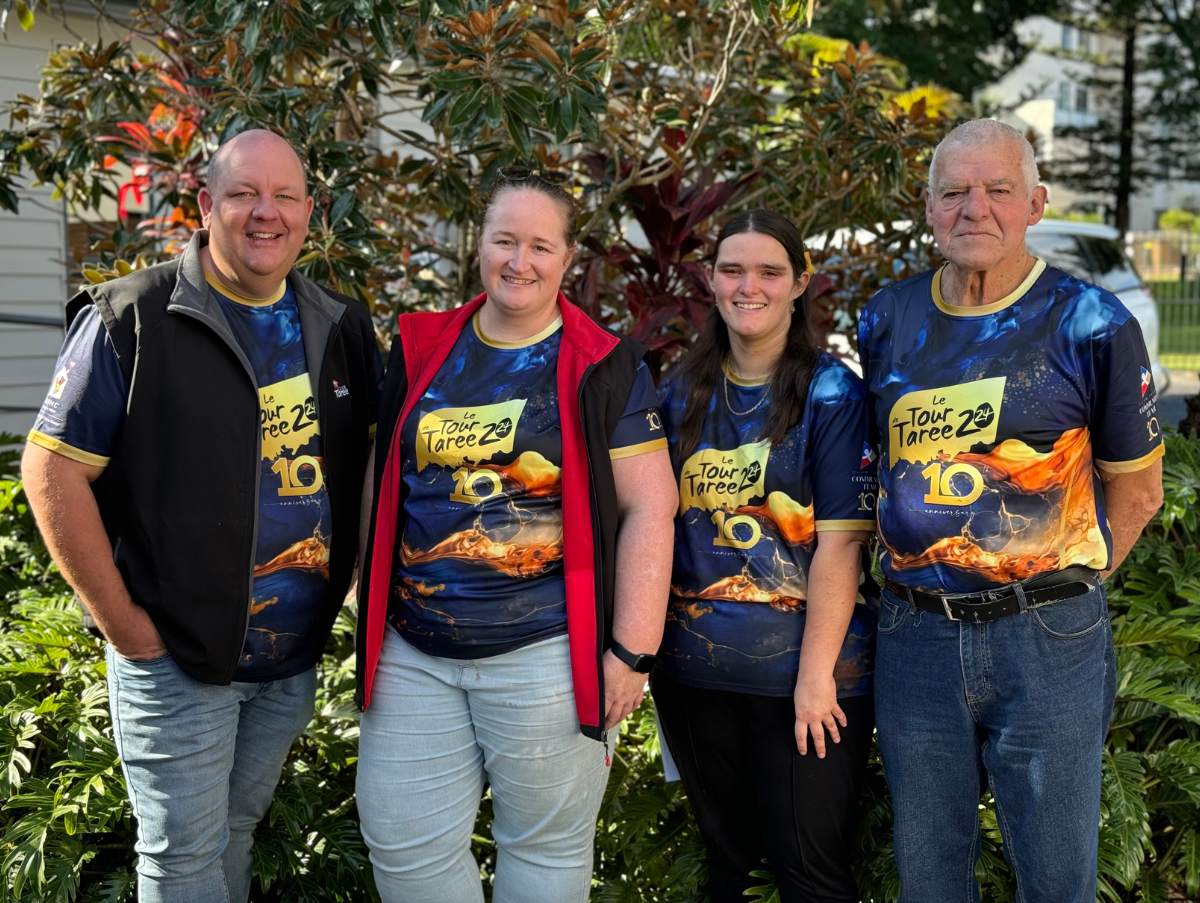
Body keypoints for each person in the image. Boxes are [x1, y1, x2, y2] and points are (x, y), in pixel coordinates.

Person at [21, 129, 382, 902]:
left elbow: (374, 458)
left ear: (309, 213)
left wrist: (351, 586)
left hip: (289, 662)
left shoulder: (339, 324)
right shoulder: (133, 316)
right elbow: (50, 469)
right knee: (182, 861)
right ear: (204, 204)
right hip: (176, 659)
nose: (266, 213)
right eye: (244, 193)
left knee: (234, 835)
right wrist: (122, 622)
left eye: (285, 196)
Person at [857, 119, 1164, 903]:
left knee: (1057, 878)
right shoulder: (887, 320)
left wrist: (1052, 585)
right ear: (928, 208)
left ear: (1036, 202)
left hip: (1048, 638)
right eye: (955, 191)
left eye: (997, 190)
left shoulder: (1091, 321)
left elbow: (1136, 490)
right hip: (915, 633)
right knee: (928, 875)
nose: (975, 209)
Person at [353, 167, 677, 903]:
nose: (518, 261)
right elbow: (383, 476)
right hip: (414, 652)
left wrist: (631, 650)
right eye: (505, 239)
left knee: (545, 856)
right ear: (480, 244)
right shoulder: (419, 346)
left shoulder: (604, 363)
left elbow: (651, 507)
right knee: (403, 846)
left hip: (548, 659)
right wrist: (358, 599)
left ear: (568, 259)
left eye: (539, 245)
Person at [653, 209, 879, 903]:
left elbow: (841, 545)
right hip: (693, 675)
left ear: (798, 283)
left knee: (808, 873)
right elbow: (653, 530)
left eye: (769, 271)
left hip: (805, 682)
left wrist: (815, 679)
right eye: (732, 270)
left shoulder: (833, 394)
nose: (748, 286)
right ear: (711, 280)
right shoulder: (677, 392)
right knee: (731, 870)